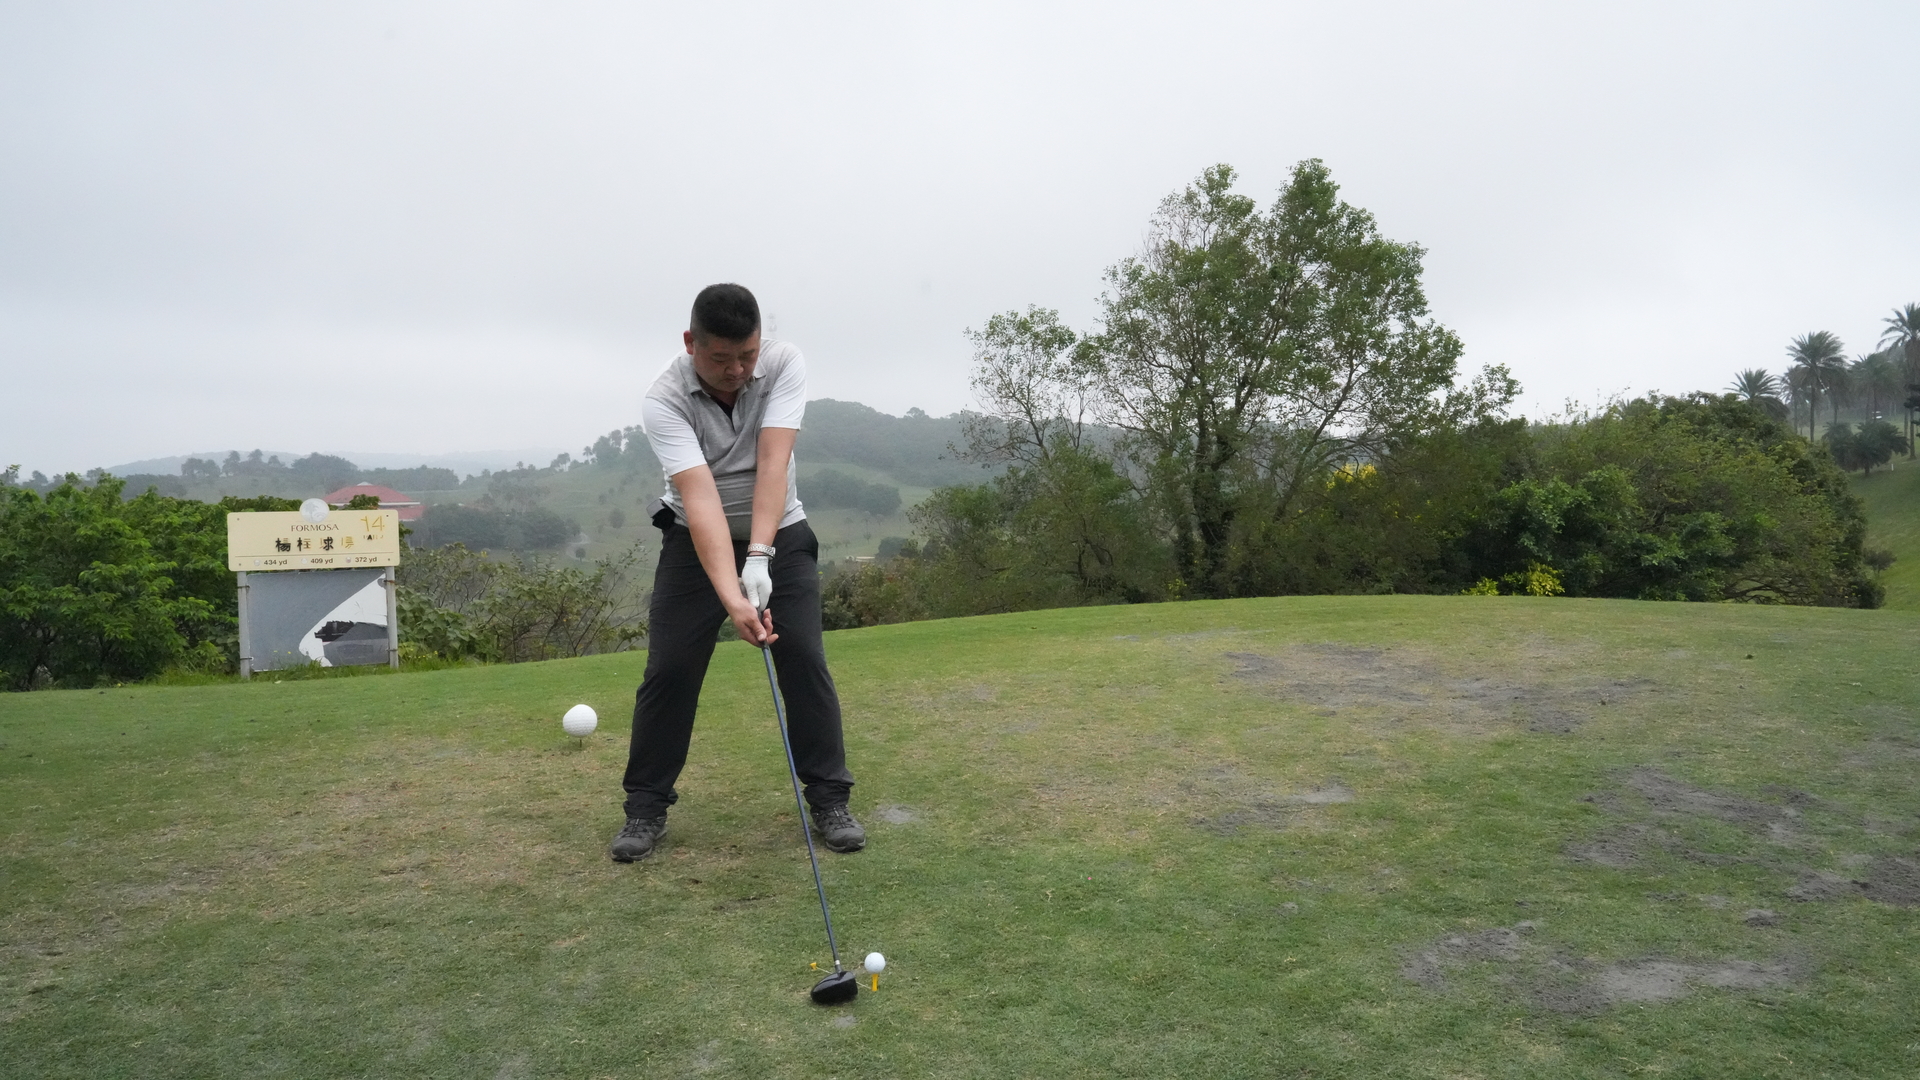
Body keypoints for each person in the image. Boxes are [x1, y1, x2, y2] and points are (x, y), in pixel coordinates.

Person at [610, 283, 863, 863]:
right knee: (671, 669)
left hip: (782, 532)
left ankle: (830, 800)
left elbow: (773, 461)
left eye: (747, 355)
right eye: (721, 358)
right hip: (694, 539)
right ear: (690, 342)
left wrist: (761, 555)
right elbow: (699, 500)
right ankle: (644, 808)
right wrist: (733, 596)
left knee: (803, 657)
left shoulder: (783, 362)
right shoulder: (663, 399)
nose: (737, 370)